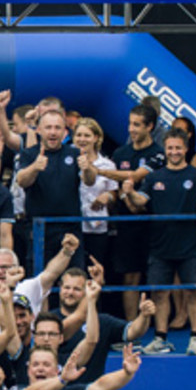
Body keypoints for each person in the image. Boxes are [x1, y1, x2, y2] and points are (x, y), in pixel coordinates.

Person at [125, 129, 196, 356]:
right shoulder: (154, 177)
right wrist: (130, 193)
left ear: (186, 148)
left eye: (178, 148)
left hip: (189, 245)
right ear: (165, 149)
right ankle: (160, 338)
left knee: (193, 292)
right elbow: (141, 201)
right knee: (159, 294)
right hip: (159, 245)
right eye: (170, 148)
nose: (174, 152)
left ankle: (195, 338)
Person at [97, 105, 166, 320]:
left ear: (150, 126)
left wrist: (99, 170)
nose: (131, 129)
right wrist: (108, 198)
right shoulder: (120, 153)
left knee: (158, 278)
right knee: (130, 277)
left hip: (154, 222)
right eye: (130, 123)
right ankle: (130, 328)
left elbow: (135, 176)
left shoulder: (158, 154)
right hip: (127, 224)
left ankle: (160, 330)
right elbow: (115, 189)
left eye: (137, 124)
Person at [16, 107, 90, 270]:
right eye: (48, 127)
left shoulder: (75, 152)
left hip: (70, 228)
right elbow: (21, 181)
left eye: (57, 128)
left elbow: (89, 181)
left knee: (73, 278)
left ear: (65, 131)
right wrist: (35, 167)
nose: (53, 132)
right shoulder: (29, 154)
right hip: (39, 228)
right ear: (39, 130)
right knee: (39, 283)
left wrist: (88, 168)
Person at [74, 117, 118, 277]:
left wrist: (108, 196)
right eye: (79, 135)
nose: (82, 139)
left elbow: (115, 193)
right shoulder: (68, 159)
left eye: (87, 135)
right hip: (73, 225)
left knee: (95, 271)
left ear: (96, 138)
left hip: (97, 227)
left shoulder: (107, 165)